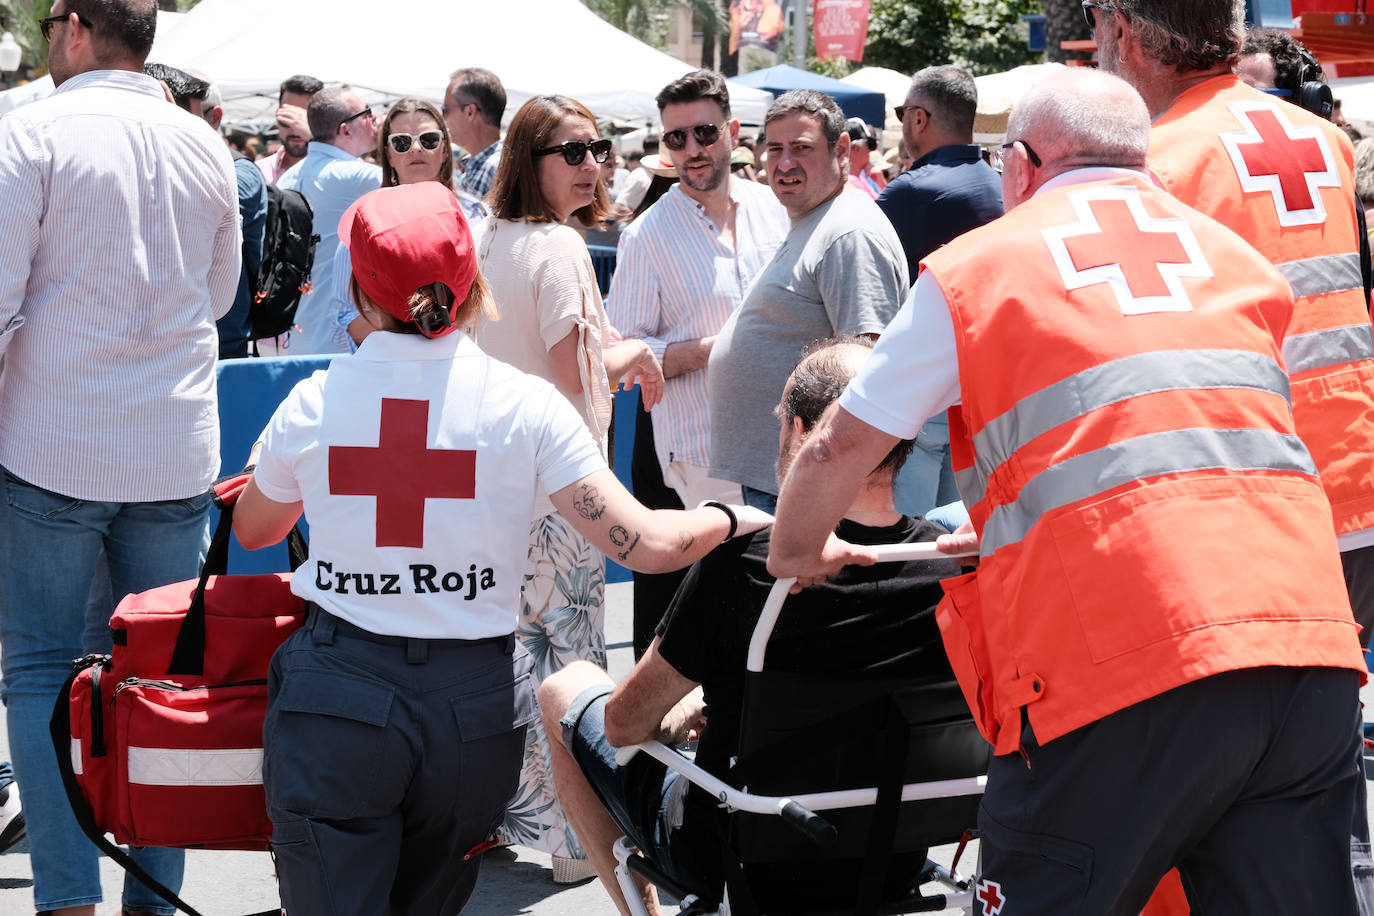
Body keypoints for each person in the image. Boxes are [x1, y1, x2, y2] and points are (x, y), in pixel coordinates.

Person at [768, 67, 1368, 913]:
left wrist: (797, 551)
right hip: (1304, 652)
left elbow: (839, 442)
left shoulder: (980, 269)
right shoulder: (1239, 263)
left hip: (1124, 666)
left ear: (1018, 164)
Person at [232, 181, 768, 915]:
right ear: (473, 283)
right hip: (471, 710)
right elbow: (644, 542)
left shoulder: (318, 402)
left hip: (341, 694)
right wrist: (735, 519)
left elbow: (254, 529)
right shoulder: (525, 405)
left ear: (358, 290)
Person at [541, 336, 965, 916]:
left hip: (737, 858)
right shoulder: (946, 570)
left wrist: (678, 713)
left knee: (562, 691)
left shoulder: (751, 565)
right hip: (891, 852)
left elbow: (622, 724)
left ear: (798, 430)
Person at [0, 0, 240, 912]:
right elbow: (220, 294)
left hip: (52, 442)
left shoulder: (35, 133)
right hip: (171, 448)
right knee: (163, 682)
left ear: (71, 27)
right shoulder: (202, 143)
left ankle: (68, 899)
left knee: (39, 674)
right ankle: (151, 900)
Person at [1089, 0, 1374, 649]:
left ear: (1126, 30)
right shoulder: (1325, 140)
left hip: (1252, 497)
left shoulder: (1152, 166)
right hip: (1353, 472)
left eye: (1096, 15)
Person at [472, 93, 665, 883]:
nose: (593, 164)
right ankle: (573, 842)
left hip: (491, 481)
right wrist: (630, 362)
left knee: (505, 655)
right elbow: (571, 380)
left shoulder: (488, 238)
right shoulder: (555, 248)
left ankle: (509, 818)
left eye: (598, 148)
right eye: (573, 151)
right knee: (570, 661)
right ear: (531, 159)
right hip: (557, 485)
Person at [608, 68, 789, 656]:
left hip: (783, 440)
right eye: (675, 139)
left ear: (734, 131)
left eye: (703, 133)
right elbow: (623, 351)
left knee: (776, 602)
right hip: (700, 452)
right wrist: (713, 352)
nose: (691, 150)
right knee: (724, 607)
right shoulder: (647, 237)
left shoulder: (777, 211)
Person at [707, 89, 908, 513]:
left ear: (841, 150)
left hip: (812, 491)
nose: (783, 163)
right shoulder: (816, 217)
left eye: (801, 148)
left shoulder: (848, 234)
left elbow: (864, 373)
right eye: (774, 148)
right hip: (784, 482)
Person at [877, 65, 1004, 522]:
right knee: (961, 546)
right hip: (985, 396)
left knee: (912, 544)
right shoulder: (1004, 186)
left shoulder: (908, 192)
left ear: (917, 119)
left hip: (923, 396)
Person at [332, 97, 472, 351]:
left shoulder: (476, 215)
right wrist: (412, 325)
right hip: (392, 372)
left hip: (465, 364)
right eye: (402, 142)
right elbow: (344, 317)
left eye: (428, 139)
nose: (416, 149)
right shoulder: (362, 222)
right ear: (388, 154)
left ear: (444, 148)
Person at [277, 84, 381, 354]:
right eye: (367, 114)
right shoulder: (358, 177)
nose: (375, 120)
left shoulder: (290, 175)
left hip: (298, 332)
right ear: (345, 129)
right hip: (340, 338)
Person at [197, 70, 269, 359]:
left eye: (181, 112)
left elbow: (197, 215)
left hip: (222, 336)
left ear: (215, 117)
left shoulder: (241, 172)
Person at [445, 67, 505, 200]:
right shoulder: (481, 164)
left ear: (469, 112)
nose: (444, 119)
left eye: (446, 110)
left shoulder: (495, 169)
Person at [257, 74, 322, 186]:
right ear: (277, 115)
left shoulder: (340, 170)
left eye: (304, 118)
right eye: (288, 116)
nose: (296, 128)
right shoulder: (259, 172)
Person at [844, 117, 883, 198]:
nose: (871, 151)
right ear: (857, 148)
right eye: (870, 144)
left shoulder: (860, 178)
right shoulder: (850, 182)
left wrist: (879, 180)